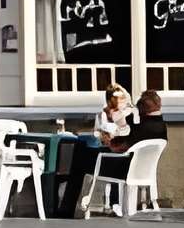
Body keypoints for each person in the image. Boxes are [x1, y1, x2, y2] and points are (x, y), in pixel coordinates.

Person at [58, 86, 165, 218]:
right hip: (141, 169)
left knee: (80, 156)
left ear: (142, 109)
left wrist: (108, 140)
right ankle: (69, 206)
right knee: (84, 153)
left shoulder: (140, 126)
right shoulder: (161, 127)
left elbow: (118, 147)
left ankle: (66, 208)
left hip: (123, 169)